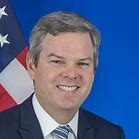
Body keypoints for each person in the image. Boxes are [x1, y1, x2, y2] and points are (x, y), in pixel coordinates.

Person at [0, 11, 125, 139]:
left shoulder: (111, 134)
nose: (71, 74)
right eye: (57, 61)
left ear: (94, 70)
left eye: (82, 63)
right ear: (32, 66)